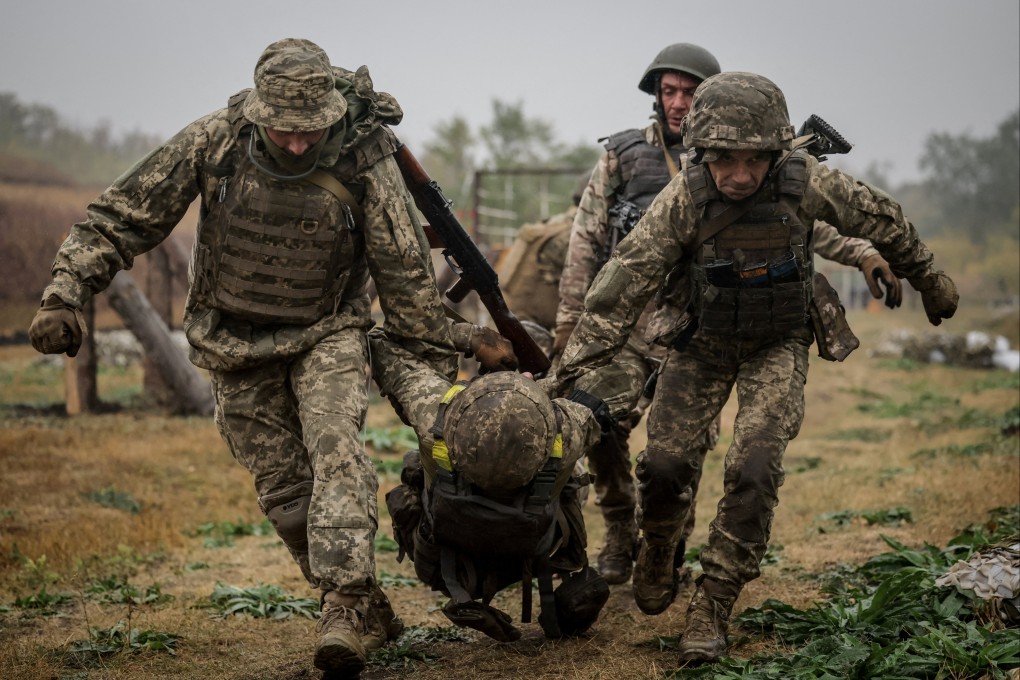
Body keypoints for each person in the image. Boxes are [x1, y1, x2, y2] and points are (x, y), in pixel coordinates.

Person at [27, 38, 459, 675]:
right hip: (233, 341)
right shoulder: (216, 140)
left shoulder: (366, 159)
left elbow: (406, 274)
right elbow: (125, 215)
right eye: (283, 131)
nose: (295, 144)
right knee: (286, 489)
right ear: (261, 113)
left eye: (309, 131)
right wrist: (65, 292)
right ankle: (366, 602)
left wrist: (432, 383)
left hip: (327, 331)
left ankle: (340, 608)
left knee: (334, 445)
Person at [554, 71, 958, 664]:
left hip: (778, 341)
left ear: (774, 152)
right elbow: (620, 288)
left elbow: (879, 218)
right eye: (726, 161)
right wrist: (563, 378)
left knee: (756, 465)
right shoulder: (685, 197)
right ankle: (658, 546)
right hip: (701, 342)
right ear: (704, 153)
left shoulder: (804, 181)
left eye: (754, 161)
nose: (740, 176)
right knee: (665, 466)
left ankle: (712, 601)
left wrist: (927, 277)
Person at [368, 328, 628, 642]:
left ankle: (461, 596)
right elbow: (614, 381)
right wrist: (540, 388)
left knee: (416, 466)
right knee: (571, 475)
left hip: (448, 563)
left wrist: (471, 339)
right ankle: (561, 601)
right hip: (536, 550)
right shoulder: (568, 431)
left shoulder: (432, 418)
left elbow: (381, 340)